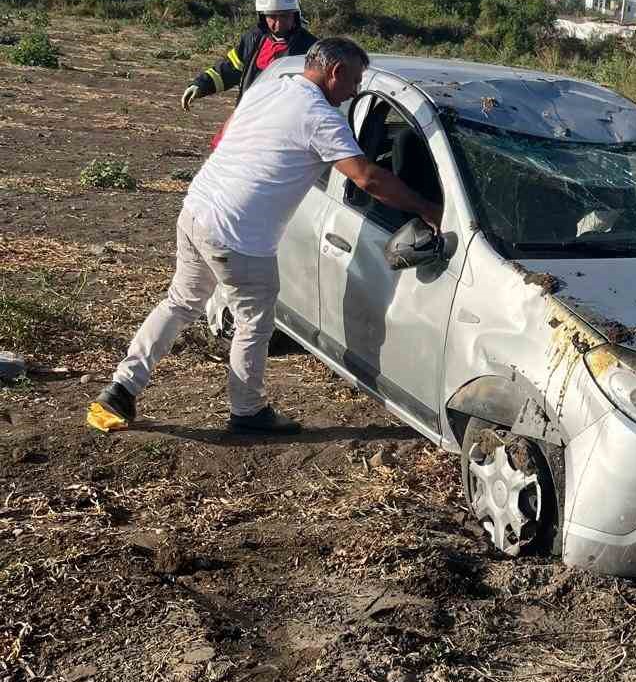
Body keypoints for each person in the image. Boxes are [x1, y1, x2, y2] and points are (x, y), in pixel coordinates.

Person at [89, 38, 441, 437]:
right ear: (335, 72)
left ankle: (122, 387)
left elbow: (229, 135)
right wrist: (427, 209)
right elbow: (367, 177)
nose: (355, 92)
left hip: (198, 209)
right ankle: (247, 411)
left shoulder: (272, 86)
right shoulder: (320, 117)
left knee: (180, 303)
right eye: (355, 81)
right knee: (255, 322)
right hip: (240, 235)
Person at [180, 0, 315, 113]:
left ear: (295, 15)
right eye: (272, 17)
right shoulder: (253, 40)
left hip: (283, 127)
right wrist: (202, 85)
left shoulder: (311, 49)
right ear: (263, 16)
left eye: (284, 16)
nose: (278, 24)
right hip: (247, 121)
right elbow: (230, 68)